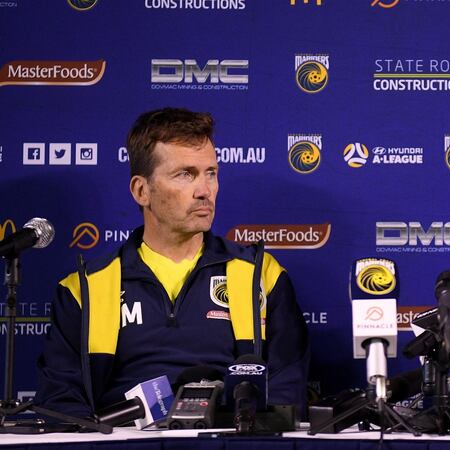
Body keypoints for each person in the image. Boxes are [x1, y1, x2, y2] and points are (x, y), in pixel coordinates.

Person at [35, 108, 309, 419]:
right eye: (185, 174)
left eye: (211, 173)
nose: (204, 191)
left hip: (228, 438)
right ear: (142, 191)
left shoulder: (262, 275)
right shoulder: (83, 288)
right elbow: (61, 400)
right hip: (122, 438)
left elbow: (286, 391)